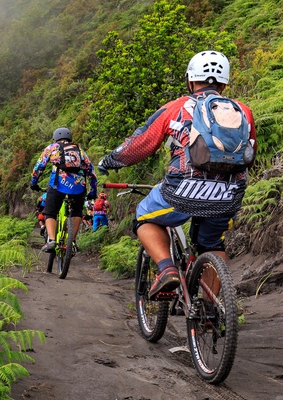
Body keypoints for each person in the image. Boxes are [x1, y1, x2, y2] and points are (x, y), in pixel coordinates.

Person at [97, 50, 256, 299]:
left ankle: (167, 269)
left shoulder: (176, 108)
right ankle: (212, 307)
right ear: (224, 82)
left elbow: (141, 144)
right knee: (212, 243)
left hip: (182, 191)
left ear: (191, 80)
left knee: (143, 218)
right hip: (229, 194)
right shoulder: (243, 111)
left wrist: (111, 160)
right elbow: (250, 153)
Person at [30, 127, 98, 253]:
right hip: (78, 187)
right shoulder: (79, 149)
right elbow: (91, 171)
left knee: (50, 212)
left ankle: (51, 240)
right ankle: (71, 241)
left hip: (58, 186)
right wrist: (93, 191)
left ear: (54, 138)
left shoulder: (52, 148)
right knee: (77, 212)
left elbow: (39, 166)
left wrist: (33, 182)